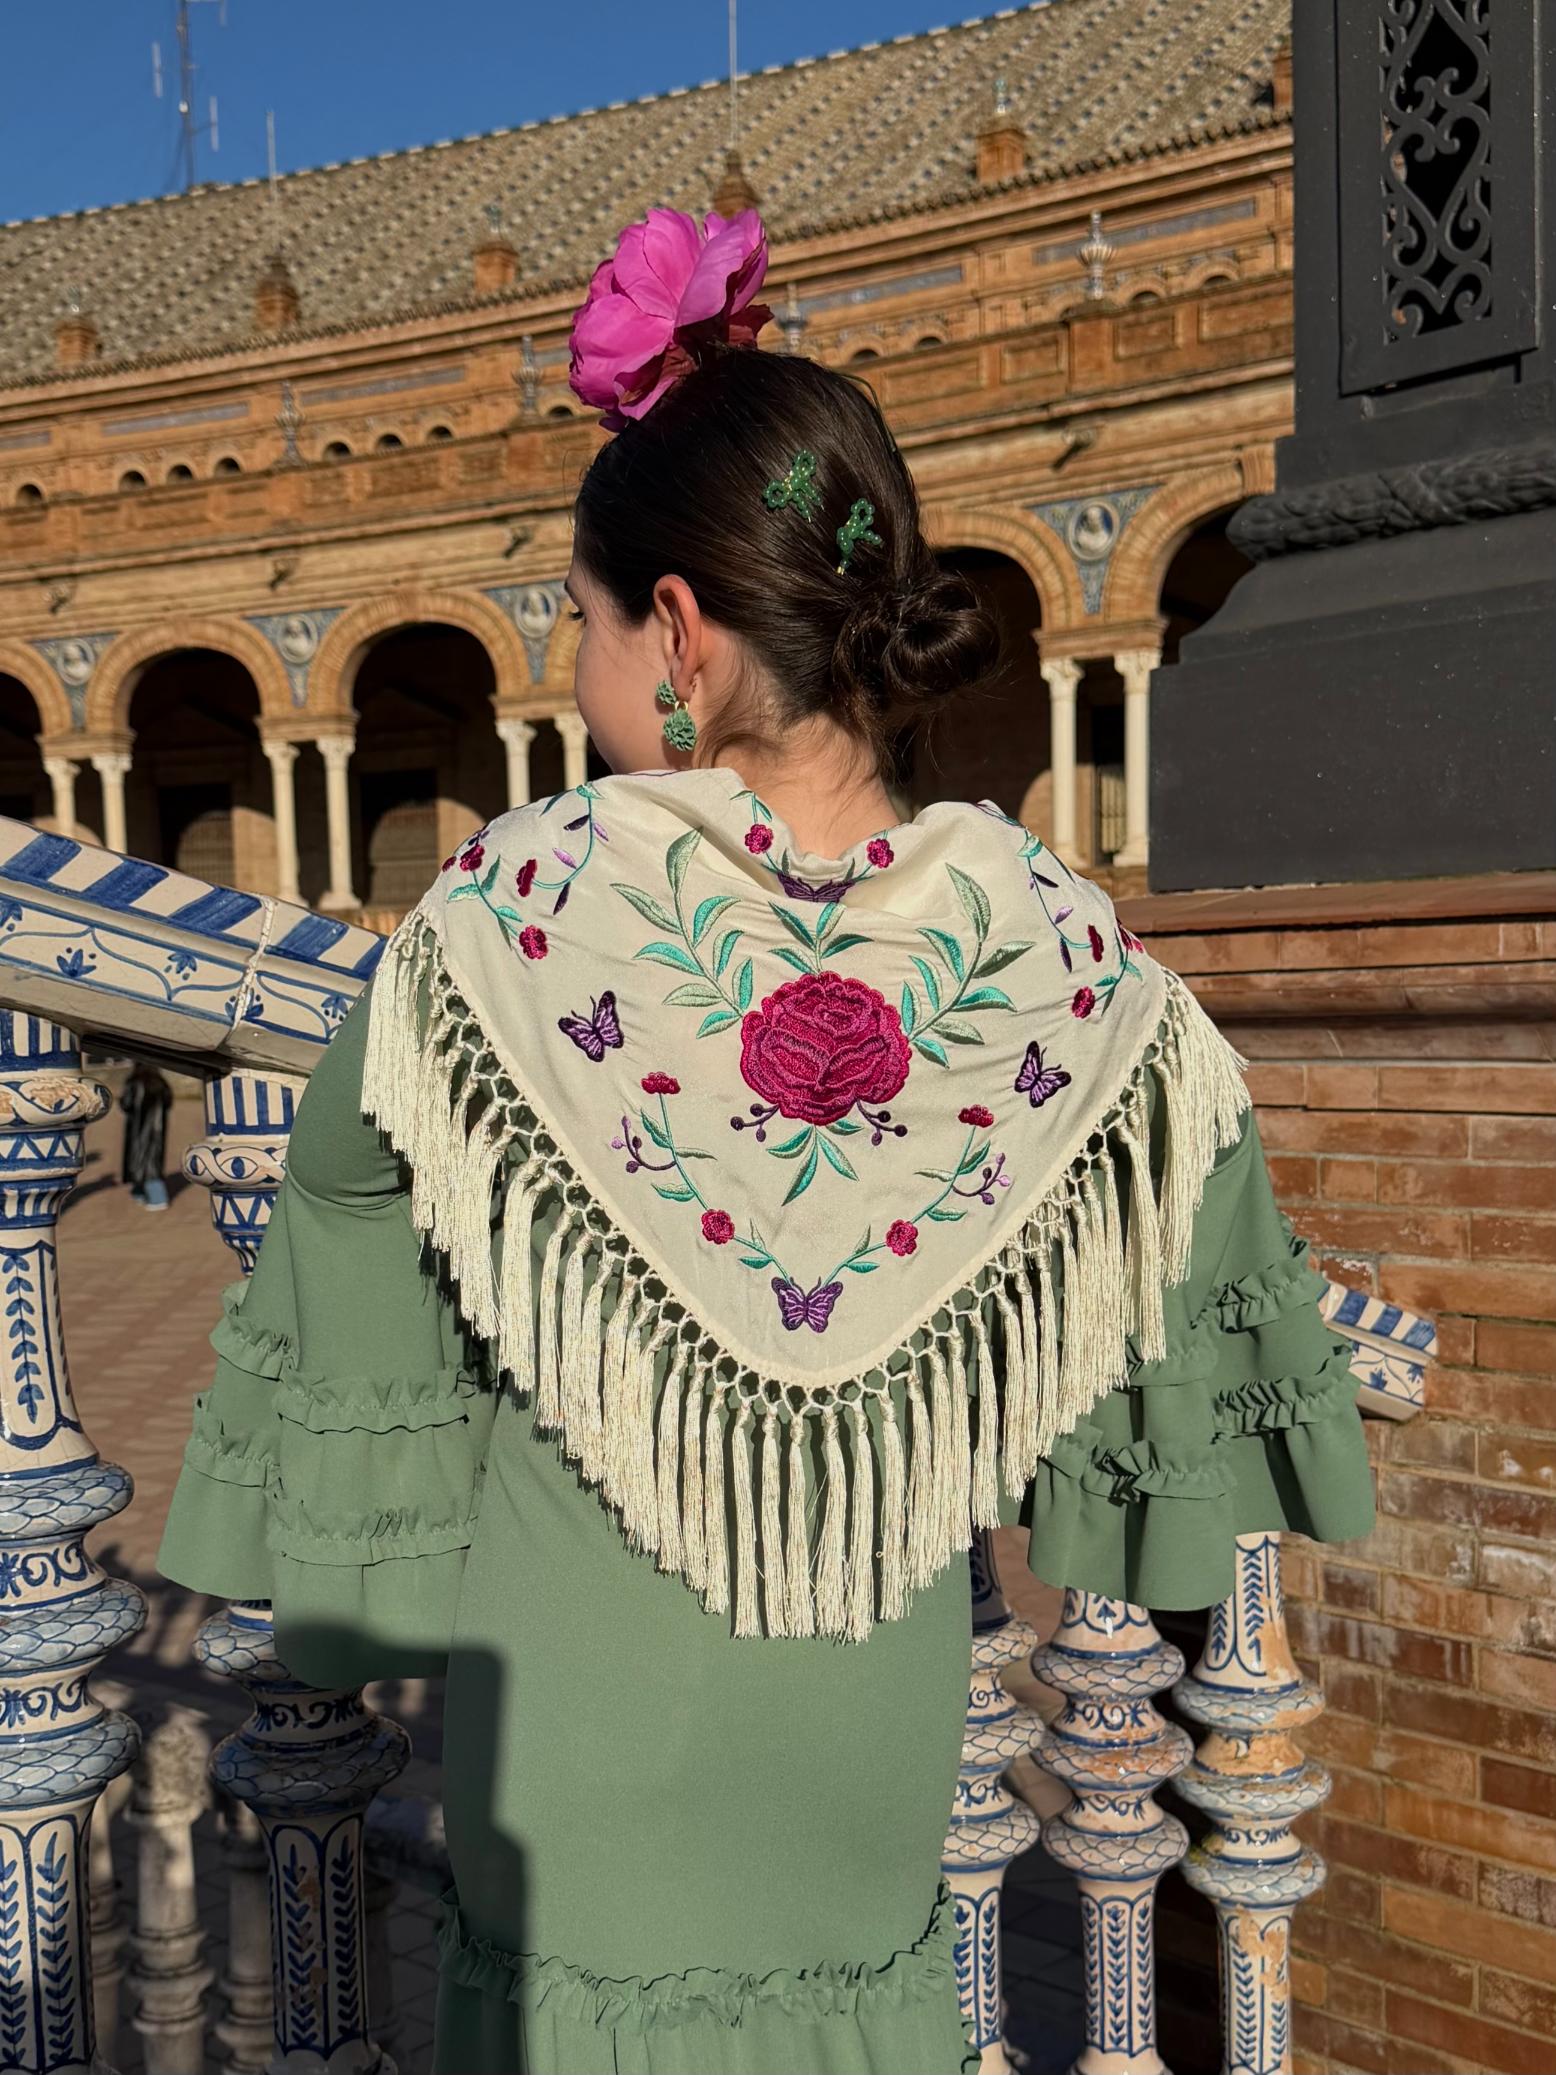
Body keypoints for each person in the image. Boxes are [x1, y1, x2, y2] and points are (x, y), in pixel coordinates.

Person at [157, 207, 1373, 2075]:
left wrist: (363, 1584)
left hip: (576, 1716)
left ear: (677, 631)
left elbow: (345, 1219)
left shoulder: (511, 913)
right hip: (864, 1711)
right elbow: (1186, 1276)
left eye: (573, 616)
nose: (568, 670)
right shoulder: (1059, 947)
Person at [119, 1059, 173, 1210]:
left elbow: (126, 1104)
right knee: (151, 1161)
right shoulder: (161, 1083)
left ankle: (157, 1198)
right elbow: (169, 1102)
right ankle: (140, 1193)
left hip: (138, 1130)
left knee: (141, 1162)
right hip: (157, 1130)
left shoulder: (134, 1083)